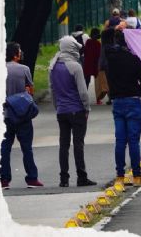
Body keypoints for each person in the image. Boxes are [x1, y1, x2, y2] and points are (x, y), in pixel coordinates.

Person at [49, 36, 97, 188]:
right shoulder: (75, 66)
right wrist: (87, 108)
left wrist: (58, 107)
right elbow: (83, 92)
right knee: (78, 144)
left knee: (63, 145)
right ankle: (81, 177)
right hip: (76, 110)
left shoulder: (53, 66)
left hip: (62, 111)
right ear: (71, 48)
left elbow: (52, 90)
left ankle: (64, 179)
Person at [106, 30, 141, 187]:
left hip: (117, 102)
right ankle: (137, 177)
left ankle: (120, 176)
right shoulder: (134, 59)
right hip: (133, 101)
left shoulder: (111, 60)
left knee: (120, 141)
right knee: (133, 141)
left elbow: (108, 80)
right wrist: (138, 91)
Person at [0, 42, 43, 189]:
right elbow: (30, 90)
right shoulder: (24, 69)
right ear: (15, 54)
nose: (21, 52)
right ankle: (32, 179)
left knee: (5, 148)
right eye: (19, 51)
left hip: (5, 114)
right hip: (22, 113)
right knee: (27, 148)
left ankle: (4, 180)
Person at [82, 28, 101, 94]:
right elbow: (99, 55)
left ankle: (84, 95)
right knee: (98, 81)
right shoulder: (98, 43)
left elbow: (85, 52)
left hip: (88, 63)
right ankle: (99, 98)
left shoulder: (88, 42)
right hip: (95, 64)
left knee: (87, 80)